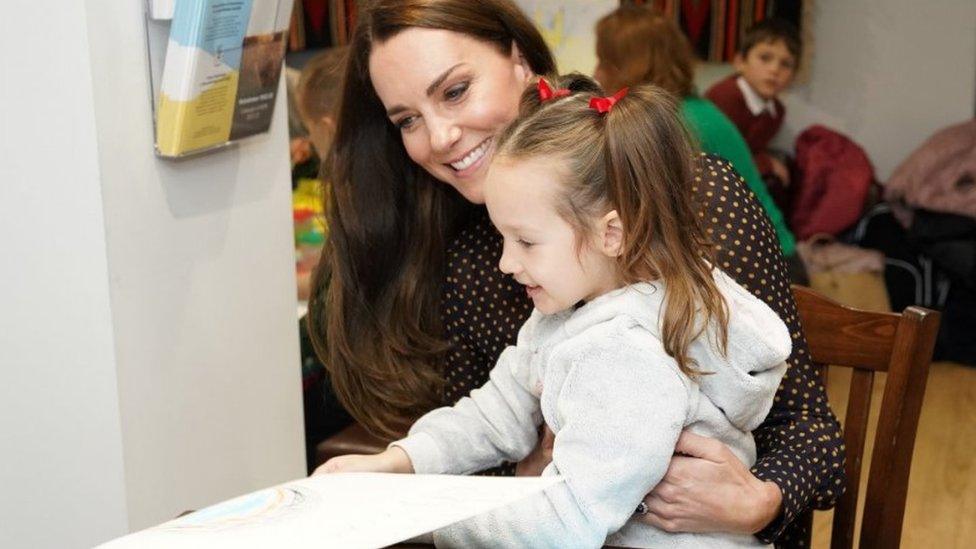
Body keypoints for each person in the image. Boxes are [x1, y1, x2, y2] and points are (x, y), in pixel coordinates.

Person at [307, 1, 844, 546]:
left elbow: (811, 434)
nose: (441, 136)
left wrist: (759, 502)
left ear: (519, 60)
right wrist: (398, 464)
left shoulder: (632, 336)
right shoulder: (533, 296)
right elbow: (491, 417)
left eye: (454, 90)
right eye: (407, 120)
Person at [594, 5, 796, 258]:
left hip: (760, 261)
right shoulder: (688, 109)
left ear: (628, 66)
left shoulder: (672, 122)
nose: (596, 73)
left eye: (604, 62)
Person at [705, 19, 800, 207]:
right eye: (765, 58)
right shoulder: (724, 96)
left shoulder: (776, 111)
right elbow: (718, 155)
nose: (774, 70)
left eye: (786, 64)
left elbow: (752, 148)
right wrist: (767, 164)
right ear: (740, 62)